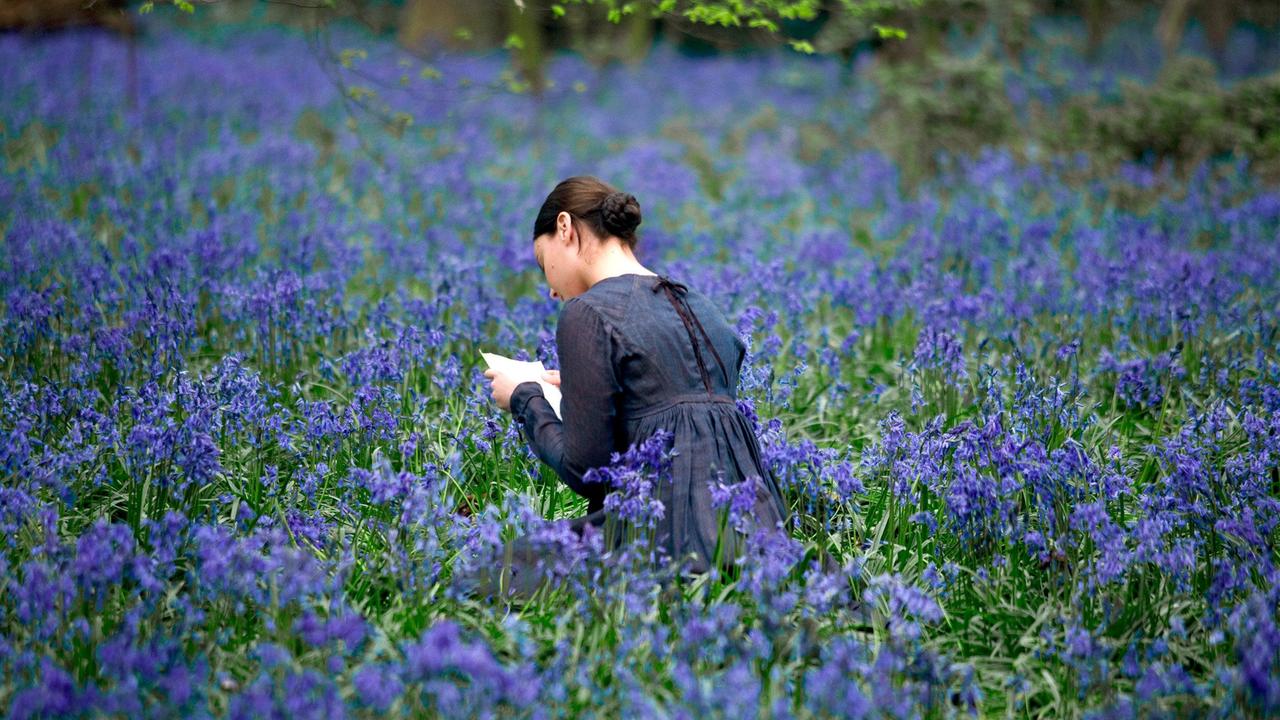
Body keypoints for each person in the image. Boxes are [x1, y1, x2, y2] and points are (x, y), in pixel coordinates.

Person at [478, 175, 789, 596]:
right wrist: (587, 390)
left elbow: (587, 472)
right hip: (753, 537)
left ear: (565, 228)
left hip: (660, 536)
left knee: (495, 571)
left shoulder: (588, 313)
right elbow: (679, 409)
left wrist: (524, 396)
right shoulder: (701, 306)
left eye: (542, 260)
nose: (550, 288)